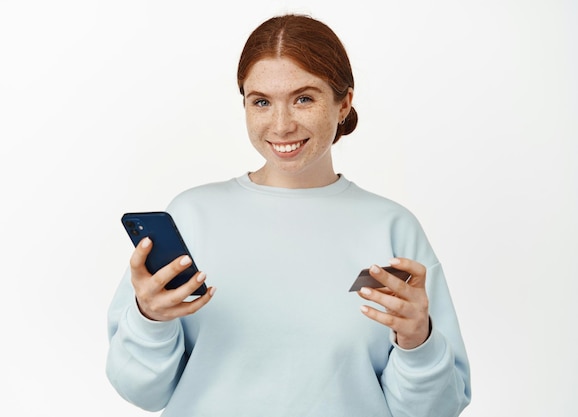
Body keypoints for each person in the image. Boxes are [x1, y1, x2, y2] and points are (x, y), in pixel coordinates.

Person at [106, 14, 471, 417]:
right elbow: (142, 391)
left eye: (304, 98)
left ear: (344, 102)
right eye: (261, 101)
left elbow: (436, 410)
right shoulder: (191, 217)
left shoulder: (391, 228)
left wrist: (418, 340)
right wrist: (150, 320)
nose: (281, 126)